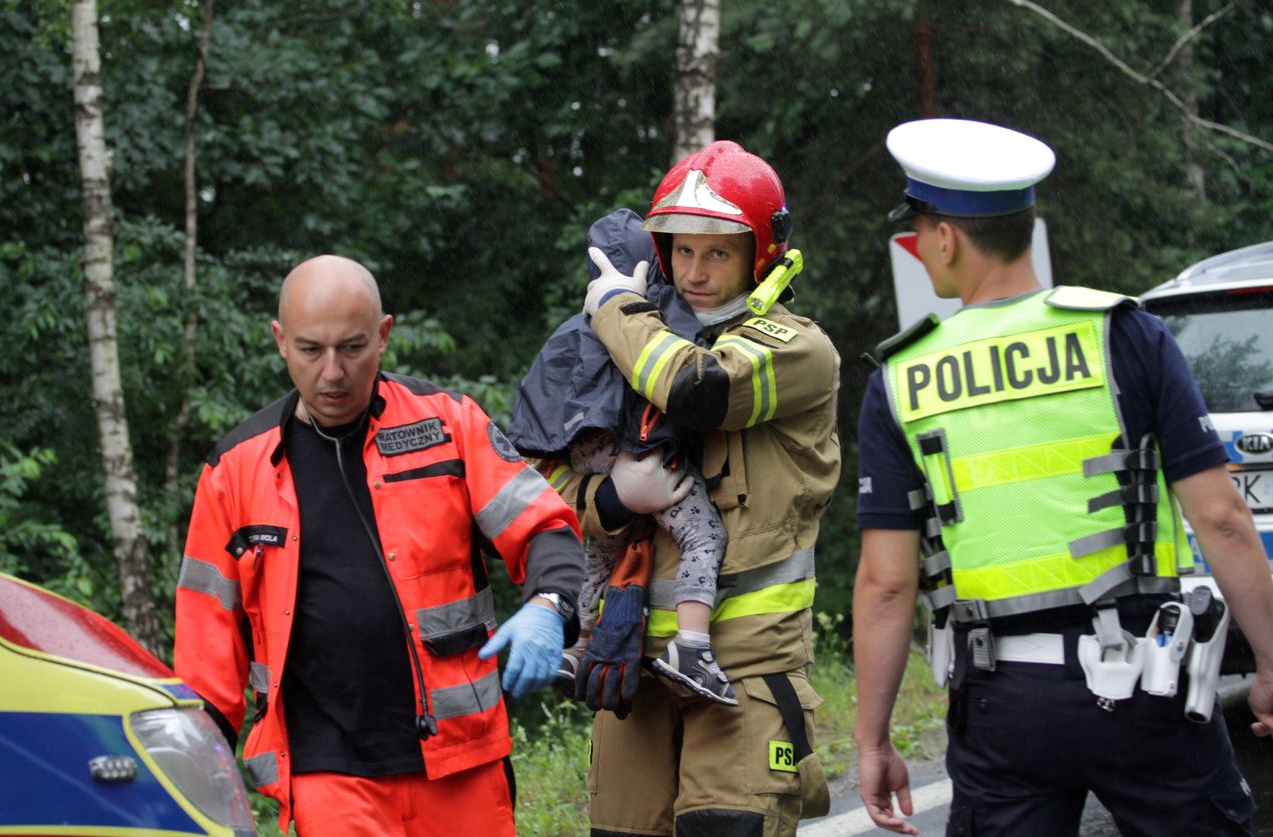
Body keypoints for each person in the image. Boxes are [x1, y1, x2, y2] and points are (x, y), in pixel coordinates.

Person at [852, 117, 1273, 837]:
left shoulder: (901, 379)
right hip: (1150, 681)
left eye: (919, 229)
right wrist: (1269, 660)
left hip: (1000, 702)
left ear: (946, 237)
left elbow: (886, 582)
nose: (920, 249)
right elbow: (1223, 518)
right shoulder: (1125, 333)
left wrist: (873, 738)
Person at [173, 255, 584, 836]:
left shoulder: (449, 425)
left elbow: (546, 527)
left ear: (385, 335)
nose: (333, 372)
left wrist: (549, 606)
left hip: (458, 754)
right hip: (325, 770)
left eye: (353, 347)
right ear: (280, 342)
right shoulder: (235, 470)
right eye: (311, 350)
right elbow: (207, 636)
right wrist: (193, 764)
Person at [543, 140, 842, 835]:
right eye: (681, 251)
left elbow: (694, 388)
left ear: (759, 254)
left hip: (745, 670)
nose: (695, 271)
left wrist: (615, 306)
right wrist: (611, 500)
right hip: (631, 669)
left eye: (718, 252)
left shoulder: (796, 346)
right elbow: (542, 480)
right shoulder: (624, 347)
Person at [508, 208, 736, 705]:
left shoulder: (572, 328)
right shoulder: (654, 314)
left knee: (599, 555)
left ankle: (579, 648)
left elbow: (538, 399)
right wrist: (617, 490)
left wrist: (577, 461)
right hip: (642, 449)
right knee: (703, 534)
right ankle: (693, 646)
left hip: (583, 452)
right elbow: (687, 377)